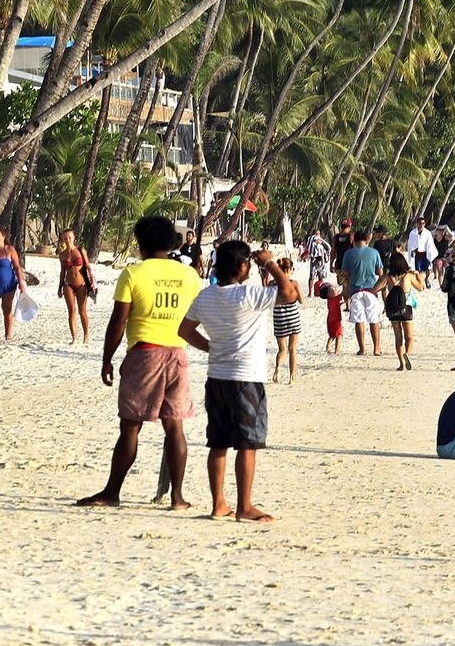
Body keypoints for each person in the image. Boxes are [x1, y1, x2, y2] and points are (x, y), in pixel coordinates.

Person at [79, 216, 204, 510]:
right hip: (177, 353)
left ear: (141, 243)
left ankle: (112, 492)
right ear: (172, 242)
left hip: (144, 354)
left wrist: (107, 359)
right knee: (175, 428)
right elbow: (196, 316)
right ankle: (177, 497)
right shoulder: (189, 276)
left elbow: (118, 321)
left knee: (131, 428)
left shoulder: (133, 274)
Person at [180, 242, 297, 521]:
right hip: (246, 377)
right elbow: (290, 293)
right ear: (243, 267)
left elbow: (184, 331)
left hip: (217, 376)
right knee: (247, 442)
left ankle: (218, 504)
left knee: (218, 441)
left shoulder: (205, 297)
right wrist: (269, 263)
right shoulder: (250, 294)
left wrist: (212, 347)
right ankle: (244, 506)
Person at [337, 228, 384, 357]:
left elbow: (345, 274)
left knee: (359, 320)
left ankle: (362, 349)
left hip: (355, 289)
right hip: (371, 289)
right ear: (366, 240)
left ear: (354, 240)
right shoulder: (374, 253)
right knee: (374, 319)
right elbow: (380, 273)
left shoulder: (348, 254)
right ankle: (376, 348)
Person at [379, 251, 423, 370]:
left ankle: (401, 364)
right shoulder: (408, 276)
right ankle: (407, 354)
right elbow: (420, 287)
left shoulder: (388, 277)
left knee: (398, 338)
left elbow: (377, 288)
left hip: (393, 310)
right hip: (406, 309)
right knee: (409, 337)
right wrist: (418, 274)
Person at [270, 258, 303, 384]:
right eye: (292, 269)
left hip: (279, 318)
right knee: (292, 348)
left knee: (282, 349)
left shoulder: (271, 284)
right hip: (293, 317)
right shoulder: (294, 284)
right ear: (288, 270)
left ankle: (277, 369)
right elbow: (301, 301)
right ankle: (291, 377)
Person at [58, 230, 93, 345]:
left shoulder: (80, 251)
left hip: (81, 284)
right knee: (71, 311)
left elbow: (88, 266)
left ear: (73, 238)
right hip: (68, 284)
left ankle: (86, 335)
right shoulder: (62, 255)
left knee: (82, 311)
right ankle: (74, 337)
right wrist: (59, 287)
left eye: (69, 237)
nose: (67, 240)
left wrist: (92, 282)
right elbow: (62, 272)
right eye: (65, 238)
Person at [322, 280, 344, 355]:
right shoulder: (335, 298)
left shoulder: (330, 300)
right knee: (339, 335)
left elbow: (336, 305)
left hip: (330, 320)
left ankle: (328, 348)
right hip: (335, 320)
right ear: (329, 294)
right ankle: (337, 350)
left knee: (332, 335)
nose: (335, 290)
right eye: (333, 290)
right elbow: (343, 294)